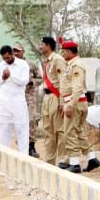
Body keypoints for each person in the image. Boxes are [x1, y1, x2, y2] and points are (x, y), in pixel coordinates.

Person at [60, 40, 100, 173]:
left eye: (63, 51)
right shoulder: (72, 64)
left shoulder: (76, 65)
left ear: (68, 51)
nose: (62, 54)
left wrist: (70, 104)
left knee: (70, 132)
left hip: (75, 102)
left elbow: (77, 87)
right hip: (77, 102)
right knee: (79, 132)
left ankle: (74, 163)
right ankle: (92, 158)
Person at [0, 45, 30, 154]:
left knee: (21, 130)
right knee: (4, 131)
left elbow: (24, 81)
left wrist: (11, 75)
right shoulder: (1, 65)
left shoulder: (23, 64)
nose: (6, 60)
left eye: (8, 58)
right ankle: (4, 156)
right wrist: (3, 78)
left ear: (12, 54)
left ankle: (24, 157)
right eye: (4, 58)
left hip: (17, 103)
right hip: (3, 103)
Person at [39, 36, 66, 167]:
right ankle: (50, 161)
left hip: (56, 97)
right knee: (48, 130)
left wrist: (62, 102)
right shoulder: (46, 61)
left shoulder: (58, 60)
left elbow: (63, 82)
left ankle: (62, 159)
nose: (40, 47)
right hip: (46, 97)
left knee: (59, 130)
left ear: (48, 46)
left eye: (42, 44)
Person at [13, 43, 41, 157]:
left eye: (18, 51)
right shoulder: (11, 65)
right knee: (18, 121)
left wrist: (32, 81)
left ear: (23, 52)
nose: (15, 53)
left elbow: (40, 78)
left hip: (30, 97)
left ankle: (31, 146)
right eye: (14, 51)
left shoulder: (30, 64)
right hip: (16, 97)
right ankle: (21, 144)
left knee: (31, 120)